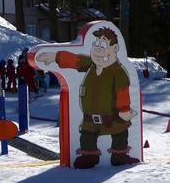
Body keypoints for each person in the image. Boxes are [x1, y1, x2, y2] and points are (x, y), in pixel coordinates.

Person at [35, 28, 137, 167]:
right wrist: (56, 57)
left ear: (114, 49)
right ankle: (89, 156)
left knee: (120, 134)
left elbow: (122, 93)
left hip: (113, 118)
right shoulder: (92, 65)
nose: (97, 49)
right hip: (90, 119)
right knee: (87, 137)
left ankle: (119, 155)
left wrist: (124, 109)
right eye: (96, 44)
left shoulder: (118, 73)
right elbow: (76, 60)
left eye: (103, 45)